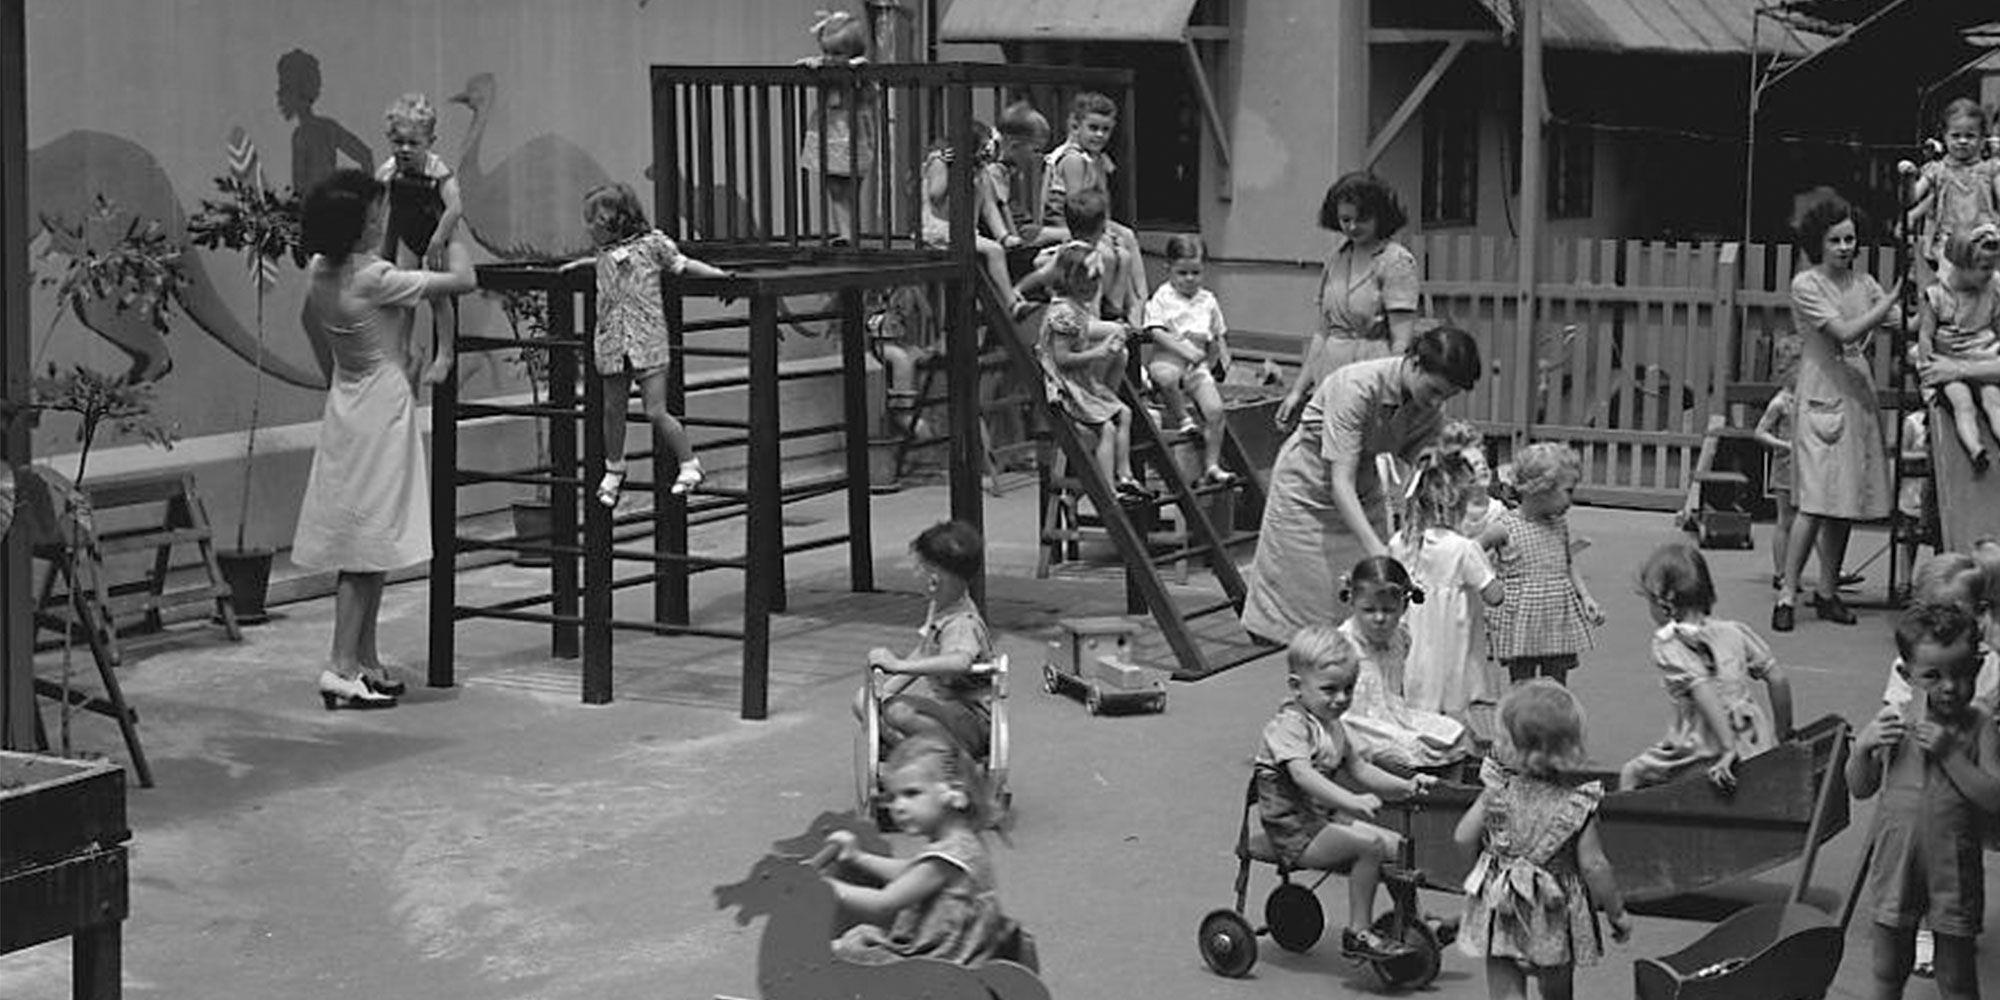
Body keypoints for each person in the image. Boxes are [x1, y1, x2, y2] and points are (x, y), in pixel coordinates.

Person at [291, 168, 475, 708]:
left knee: (370, 543)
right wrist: (451, 223)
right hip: (380, 409)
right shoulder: (370, 275)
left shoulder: (318, 270)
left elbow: (318, 324)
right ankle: (342, 664)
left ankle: (365, 660)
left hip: (351, 402)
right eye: (372, 215)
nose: (379, 221)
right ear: (352, 225)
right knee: (365, 544)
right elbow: (462, 281)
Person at [1240, 327, 1483, 644]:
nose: (1437, 401)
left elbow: (1423, 466)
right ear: (1414, 362)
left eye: (1447, 396)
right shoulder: (1356, 386)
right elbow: (1341, 482)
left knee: (1366, 607)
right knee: (1294, 607)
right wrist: (1378, 551)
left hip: (1364, 487)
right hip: (1308, 488)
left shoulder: (1430, 408)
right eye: (1434, 389)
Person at [1254, 623, 1436, 962]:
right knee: (1368, 849)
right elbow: (1303, 775)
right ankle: (1358, 932)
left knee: (1399, 846)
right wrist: (1351, 801)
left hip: (1321, 820)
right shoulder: (1290, 726)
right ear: (1297, 686)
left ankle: (1414, 921)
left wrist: (1408, 784)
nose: (1341, 699)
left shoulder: (1334, 724)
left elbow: (1362, 770)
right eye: (1329, 689)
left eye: (1348, 689)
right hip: (1293, 830)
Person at [1848, 603, 2000, 1000]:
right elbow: (1860, 788)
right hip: (1896, 862)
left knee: (1956, 976)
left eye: (1962, 672)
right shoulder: (1895, 720)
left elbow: (1994, 797)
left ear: (1977, 666)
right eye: (1933, 675)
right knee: (1887, 967)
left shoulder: (1979, 726)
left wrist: (1950, 754)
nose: (1949, 686)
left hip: (1953, 867)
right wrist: (1862, 750)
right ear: (1906, 674)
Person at [1773, 194, 1901, 633]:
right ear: (1818, 243)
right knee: (1813, 501)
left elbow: (1899, 321)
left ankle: (1828, 591)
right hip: (1822, 392)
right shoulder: (1806, 285)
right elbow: (1845, 331)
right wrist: (1888, 304)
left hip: (1855, 393)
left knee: (1843, 501)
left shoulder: (1863, 284)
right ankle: (1788, 592)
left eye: (1850, 239)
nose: (1845, 247)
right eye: (1836, 240)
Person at [1455, 680, 1632, 1000]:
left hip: (1503, 907)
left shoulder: (1495, 793)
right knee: (1557, 991)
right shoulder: (1578, 805)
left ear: (1508, 745)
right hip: (1553, 914)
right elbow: (1594, 866)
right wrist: (1616, 912)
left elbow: (1463, 836)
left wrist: (1482, 874)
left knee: (1505, 988)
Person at [558, 183, 731, 508]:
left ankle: (689, 463)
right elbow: (600, 266)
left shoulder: (653, 244)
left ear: (612, 218)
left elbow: (683, 263)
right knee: (613, 410)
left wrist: (719, 276)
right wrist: (578, 265)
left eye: (592, 219)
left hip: (647, 340)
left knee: (656, 410)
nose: (587, 227)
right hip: (612, 342)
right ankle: (614, 468)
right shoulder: (604, 254)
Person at [822, 736, 1016, 965]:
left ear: (953, 794)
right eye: (891, 798)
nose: (898, 807)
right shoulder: (960, 842)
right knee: (859, 936)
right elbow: (909, 873)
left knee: (847, 950)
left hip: (940, 961)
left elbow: (884, 904)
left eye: (912, 794)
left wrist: (825, 887)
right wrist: (858, 857)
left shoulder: (947, 857)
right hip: (948, 951)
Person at [1619, 543, 1794, 791]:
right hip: (1754, 740)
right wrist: (1783, 733)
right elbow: (1778, 679)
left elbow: (1704, 692)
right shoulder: (1734, 630)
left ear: (1664, 601)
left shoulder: (1669, 645)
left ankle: (1626, 828)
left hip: (1707, 743)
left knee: (1633, 773)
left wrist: (1728, 748)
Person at [1276, 172, 1420, 430]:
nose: (1352, 227)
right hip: (1329, 376)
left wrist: (1391, 394)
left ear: (1380, 216)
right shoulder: (1335, 259)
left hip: (1372, 374)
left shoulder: (1395, 261)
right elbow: (1322, 333)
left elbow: (1401, 342)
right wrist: (1298, 391)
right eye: (1345, 219)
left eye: (1362, 219)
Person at [859, 520, 996, 756]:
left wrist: (898, 665)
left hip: (972, 720)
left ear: (934, 580)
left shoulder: (961, 622)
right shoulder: (940, 607)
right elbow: (925, 652)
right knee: (865, 701)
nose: (914, 572)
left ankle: (952, 760)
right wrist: (885, 691)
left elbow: (959, 661)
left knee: (899, 712)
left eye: (918, 567)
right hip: (949, 714)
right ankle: (911, 751)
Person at [1477, 442, 1603, 686]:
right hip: (1521, 617)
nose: (1572, 499)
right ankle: (1519, 721)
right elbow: (1471, 553)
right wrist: (1487, 584)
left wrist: (1586, 597)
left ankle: (1553, 720)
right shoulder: (1506, 526)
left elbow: (1567, 563)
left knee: (1556, 680)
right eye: (1568, 491)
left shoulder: (1559, 525)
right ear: (1541, 489)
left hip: (1557, 615)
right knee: (1522, 681)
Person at [1336, 555, 1478, 770]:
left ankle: (1448, 791)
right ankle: (1411, 789)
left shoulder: (1400, 637)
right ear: (1353, 604)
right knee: (1409, 747)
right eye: (1369, 610)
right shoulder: (1342, 645)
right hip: (1355, 724)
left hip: (1393, 717)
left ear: (1403, 608)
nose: (1379, 618)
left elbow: (1395, 690)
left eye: (1388, 610)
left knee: (1455, 732)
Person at [1389, 454, 1503, 720]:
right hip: (1454, 640)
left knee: (1415, 694)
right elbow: (1494, 594)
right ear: (1458, 506)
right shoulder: (1463, 548)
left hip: (1412, 638)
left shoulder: (1399, 543)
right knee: (1453, 698)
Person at [1037, 243, 1148, 503]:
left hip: (1080, 377)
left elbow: (1085, 334)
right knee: (1107, 430)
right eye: (1084, 282)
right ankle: (1108, 490)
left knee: (1125, 412)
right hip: (1065, 384)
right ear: (1068, 279)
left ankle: (1125, 475)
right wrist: (1099, 353)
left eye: (1095, 281)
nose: (1091, 287)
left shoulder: (1077, 308)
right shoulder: (1063, 313)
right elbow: (1062, 359)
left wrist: (1113, 341)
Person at [374, 93, 464, 387]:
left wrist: (438, 240)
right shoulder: (389, 171)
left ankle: (446, 353)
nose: (405, 149)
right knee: (405, 294)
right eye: (398, 142)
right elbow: (378, 206)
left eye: (413, 143)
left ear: (430, 141)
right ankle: (402, 350)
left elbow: (455, 208)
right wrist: (380, 246)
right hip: (408, 236)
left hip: (434, 235)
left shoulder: (435, 169)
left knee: (437, 296)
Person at [1038, 92, 1146, 319]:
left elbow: (1102, 203)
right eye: (1093, 127)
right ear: (1076, 127)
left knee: (1127, 236)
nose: (1100, 135)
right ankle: (1105, 310)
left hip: (1090, 222)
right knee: (1108, 253)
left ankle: (1140, 302)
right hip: (1069, 226)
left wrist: (1109, 230)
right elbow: (1081, 207)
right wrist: (1104, 233)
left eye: (1105, 129)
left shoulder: (1094, 158)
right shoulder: (1073, 159)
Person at [1142, 234, 1237, 486]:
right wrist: (1185, 352)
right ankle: (1183, 418)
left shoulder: (1207, 300)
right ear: (1169, 269)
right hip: (1171, 355)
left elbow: (1218, 334)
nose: (1189, 279)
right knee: (1165, 376)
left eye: (1196, 272)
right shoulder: (1163, 297)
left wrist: (1222, 359)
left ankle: (1212, 465)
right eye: (1182, 272)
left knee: (1215, 411)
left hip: (1198, 364)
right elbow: (1155, 331)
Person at [1918, 224, 2000, 472]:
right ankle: (1975, 448)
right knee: (1961, 402)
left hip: (1983, 354)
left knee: (1993, 400)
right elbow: (1925, 334)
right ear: (1961, 266)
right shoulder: (1938, 295)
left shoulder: (1993, 289)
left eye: (1993, 267)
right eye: (1984, 268)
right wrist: (1928, 367)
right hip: (1948, 358)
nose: (1990, 273)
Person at [920, 120, 1023, 312]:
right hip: (938, 229)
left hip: (966, 232)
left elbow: (989, 207)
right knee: (994, 251)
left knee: (1002, 249)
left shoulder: (980, 168)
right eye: (983, 145)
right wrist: (954, 169)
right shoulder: (940, 161)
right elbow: (935, 196)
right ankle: (1012, 302)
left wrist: (1004, 236)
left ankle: (1007, 297)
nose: (987, 151)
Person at [797, 8, 874, 246]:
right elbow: (806, 69)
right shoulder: (825, 67)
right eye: (826, 51)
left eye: (837, 53)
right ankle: (845, 234)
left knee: (851, 186)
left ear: (853, 51)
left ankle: (853, 233)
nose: (830, 58)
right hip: (828, 129)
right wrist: (813, 64)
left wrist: (857, 72)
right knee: (834, 188)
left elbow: (871, 93)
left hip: (851, 130)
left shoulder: (859, 69)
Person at [1906, 99, 1999, 270]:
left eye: (1970, 136)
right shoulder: (1936, 170)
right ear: (1944, 136)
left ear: (1982, 139)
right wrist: (1910, 178)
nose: (1962, 141)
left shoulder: (1991, 169)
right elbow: (1910, 199)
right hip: (1948, 244)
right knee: (1953, 289)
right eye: (1956, 136)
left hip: (1984, 241)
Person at [991, 101, 1056, 246]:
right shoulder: (993, 170)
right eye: (1035, 150)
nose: (1038, 157)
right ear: (1014, 146)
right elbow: (1002, 208)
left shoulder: (1009, 167)